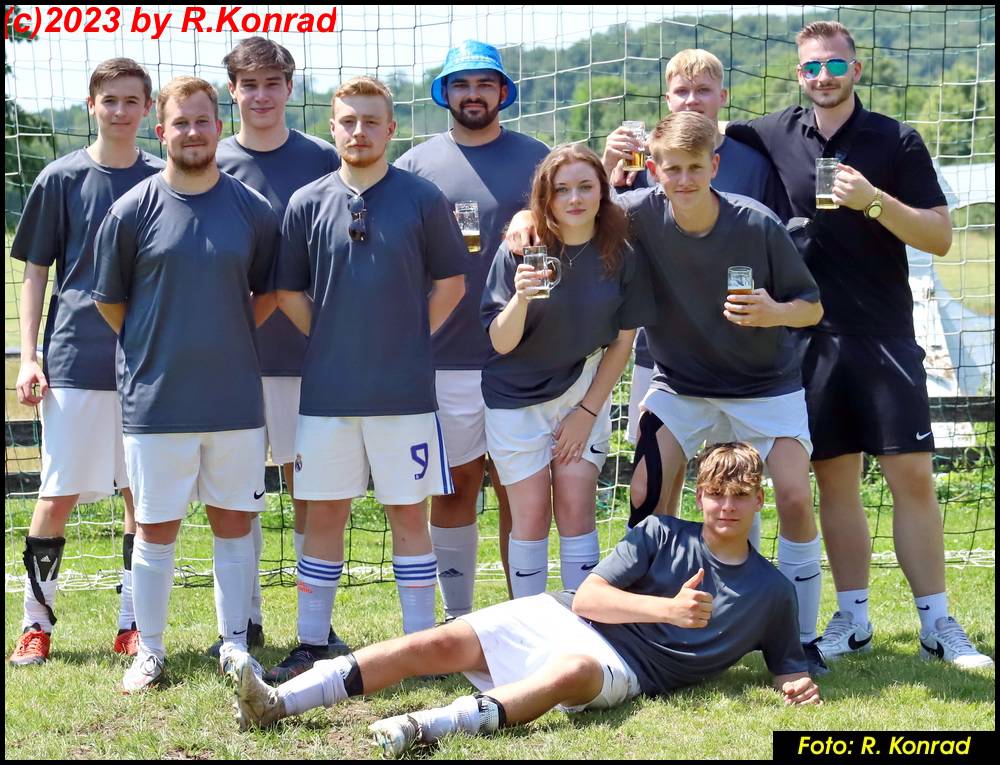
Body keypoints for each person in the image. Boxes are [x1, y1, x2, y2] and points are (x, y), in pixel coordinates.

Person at [224, 442, 820, 757]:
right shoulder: (662, 532)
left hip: (624, 667)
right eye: (715, 494)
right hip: (562, 615)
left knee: (574, 670)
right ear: (699, 495)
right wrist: (667, 610)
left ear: (759, 500)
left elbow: (787, 665)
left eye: (739, 495)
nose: (725, 506)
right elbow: (588, 598)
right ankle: (277, 702)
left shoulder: (771, 591)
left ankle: (423, 728)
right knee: (438, 642)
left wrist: (795, 685)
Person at [506, 111, 827, 672]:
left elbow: (812, 307)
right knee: (645, 491)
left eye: (694, 168)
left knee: (796, 496)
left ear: (714, 167)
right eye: (671, 169)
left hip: (764, 385)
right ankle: (650, 621)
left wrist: (774, 311)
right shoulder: (636, 215)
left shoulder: (756, 223)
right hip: (681, 384)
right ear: (653, 170)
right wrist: (523, 218)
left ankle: (799, 641)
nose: (683, 179)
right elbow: (572, 204)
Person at [725, 20, 993, 669]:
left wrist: (874, 201)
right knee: (835, 481)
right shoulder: (771, 132)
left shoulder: (896, 139)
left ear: (857, 70)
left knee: (912, 476)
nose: (824, 77)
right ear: (799, 75)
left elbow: (939, 237)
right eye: (812, 67)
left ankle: (937, 624)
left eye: (835, 65)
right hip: (807, 336)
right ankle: (854, 619)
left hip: (885, 333)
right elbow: (703, 133)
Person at [265, 76, 466, 683]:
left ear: (391, 129)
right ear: (333, 127)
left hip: (404, 395)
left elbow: (452, 285)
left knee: (408, 513)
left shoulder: (423, 198)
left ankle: (419, 645)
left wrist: (408, 337)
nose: (359, 131)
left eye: (371, 121)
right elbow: (287, 291)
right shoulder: (306, 202)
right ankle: (311, 642)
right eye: (348, 121)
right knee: (325, 512)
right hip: (328, 395)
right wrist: (330, 336)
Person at [92, 76, 279, 692]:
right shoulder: (131, 210)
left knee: (234, 524)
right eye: (181, 122)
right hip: (157, 402)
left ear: (219, 128)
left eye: (203, 121)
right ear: (160, 130)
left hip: (234, 401)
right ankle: (150, 651)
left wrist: (224, 333)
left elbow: (268, 292)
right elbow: (110, 301)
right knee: (155, 528)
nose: (192, 132)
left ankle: (234, 646)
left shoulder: (253, 209)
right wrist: (158, 343)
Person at [8, 59, 163, 667]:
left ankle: (132, 624)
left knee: (141, 497)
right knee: (57, 493)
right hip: (74, 358)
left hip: (148, 362)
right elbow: (35, 272)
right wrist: (30, 356)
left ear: (147, 108)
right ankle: (35, 625)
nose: (120, 111)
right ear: (92, 104)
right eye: (109, 100)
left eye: (131, 100)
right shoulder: (60, 178)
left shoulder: (163, 178)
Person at [604, 49, 787, 549]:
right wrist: (607, 165)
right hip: (664, 351)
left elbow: (776, 238)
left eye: (702, 90)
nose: (692, 100)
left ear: (722, 96)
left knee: (737, 480)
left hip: (740, 354)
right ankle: (657, 576)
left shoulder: (752, 160)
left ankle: (741, 579)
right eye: (681, 91)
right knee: (656, 479)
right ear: (667, 99)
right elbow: (600, 223)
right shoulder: (645, 160)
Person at [395, 40, 549, 613]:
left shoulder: (539, 159)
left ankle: (524, 617)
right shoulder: (414, 166)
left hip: (523, 356)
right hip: (445, 358)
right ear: (445, 94)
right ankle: (459, 619)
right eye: (461, 84)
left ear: (503, 91)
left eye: (485, 83)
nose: (473, 94)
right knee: (454, 486)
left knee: (520, 493)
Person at [210, 36, 345, 659]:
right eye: (249, 85)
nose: (261, 96)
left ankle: (314, 624)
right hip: (230, 359)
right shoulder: (208, 158)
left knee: (310, 489)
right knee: (235, 492)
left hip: (308, 356)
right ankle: (244, 620)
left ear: (290, 88)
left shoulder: (323, 157)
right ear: (232, 91)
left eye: (272, 83)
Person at [480, 144, 654, 598]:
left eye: (584, 187)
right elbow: (500, 342)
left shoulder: (621, 253)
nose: (574, 198)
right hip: (516, 399)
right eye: (561, 190)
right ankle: (529, 624)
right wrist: (520, 298)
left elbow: (622, 342)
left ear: (602, 191)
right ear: (546, 196)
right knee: (531, 517)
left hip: (582, 392)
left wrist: (587, 412)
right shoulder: (523, 248)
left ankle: (586, 624)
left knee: (577, 509)